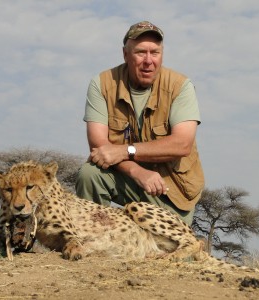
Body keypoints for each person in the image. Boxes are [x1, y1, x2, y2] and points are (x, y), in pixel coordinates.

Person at [75, 21, 204, 226]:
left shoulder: (181, 86)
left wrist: (126, 151)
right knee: (90, 174)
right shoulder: (101, 83)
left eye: (155, 52)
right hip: (129, 178)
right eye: (140, 52)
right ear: (125, 54)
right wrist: (138, 172)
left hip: (171, 191)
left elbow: (182, 144)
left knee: (170, 252)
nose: (148, 61)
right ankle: (92, 242)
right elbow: (99, 147)